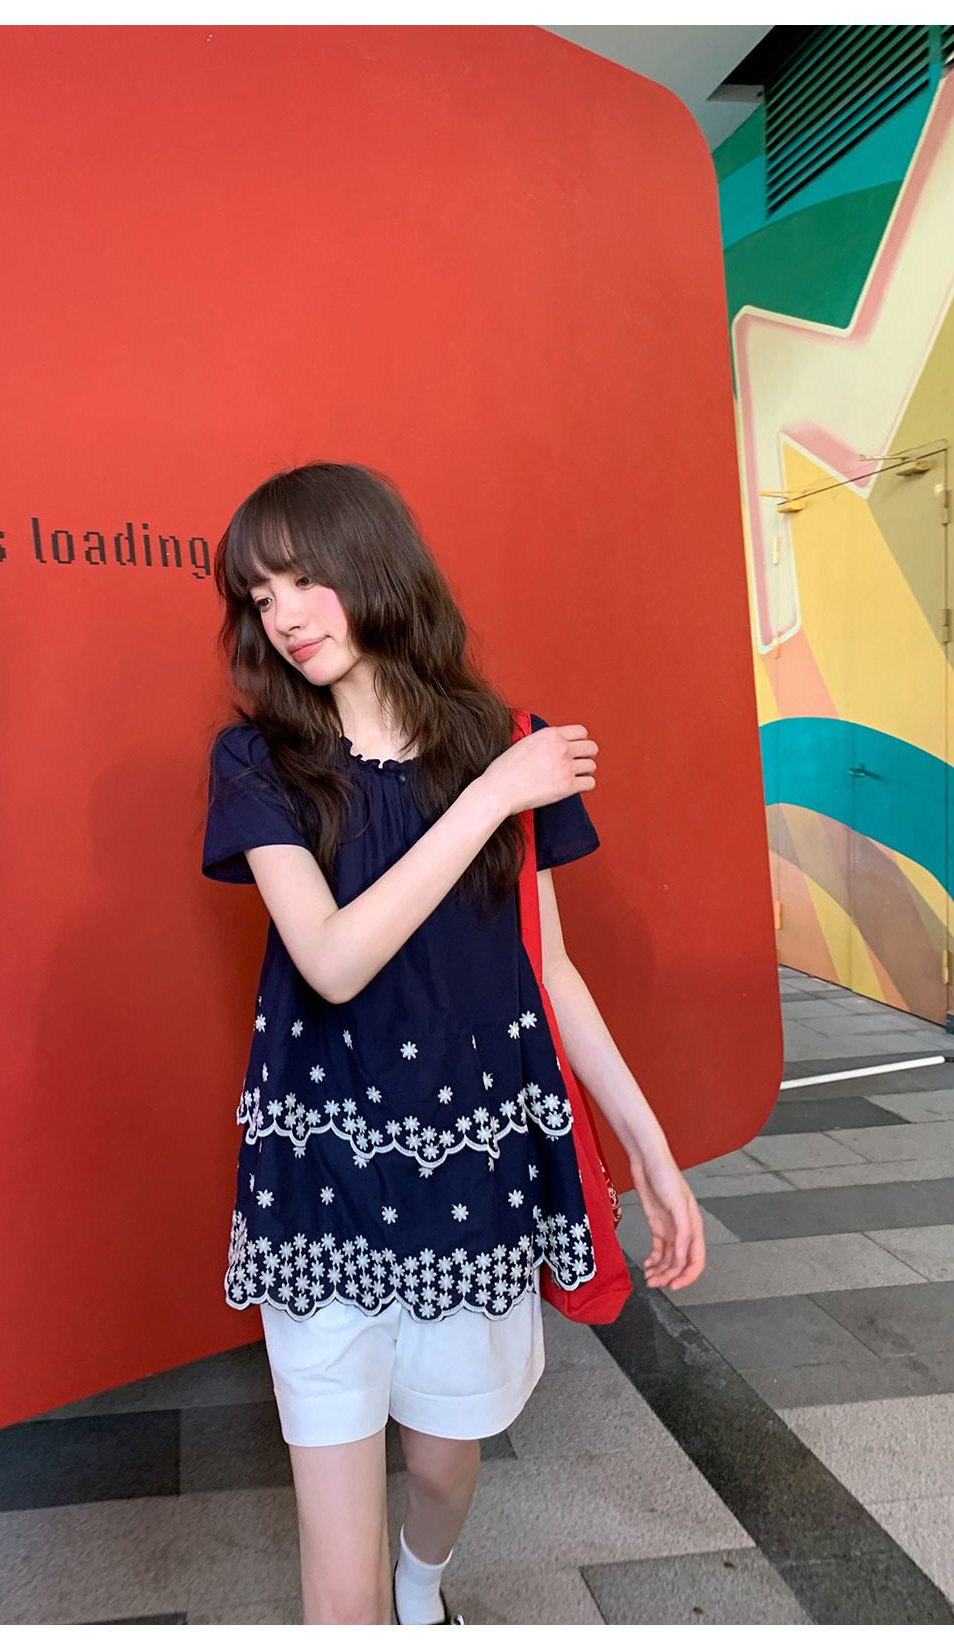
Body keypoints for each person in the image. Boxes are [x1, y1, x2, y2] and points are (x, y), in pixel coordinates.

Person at [201, 462, 705, 1626]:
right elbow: (331, 960)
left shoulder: (509, 745)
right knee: (338, 1593)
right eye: (260, 596)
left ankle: (423, 1586)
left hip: (470, 1174)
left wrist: (649, 1144)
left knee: (442, 1466)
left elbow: (549, 969)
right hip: (319, 1179)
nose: (284, 616)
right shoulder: (260, 762)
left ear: (374, 566)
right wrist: (488, 798)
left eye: (303, 579)